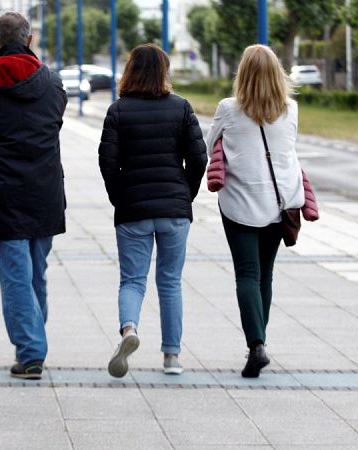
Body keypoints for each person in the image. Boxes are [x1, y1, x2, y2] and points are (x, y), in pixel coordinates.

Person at [0, 12, 67, 380]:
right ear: (30, 39)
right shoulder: (54, 84)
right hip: (45, 191)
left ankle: (31, 352)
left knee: (15, 277)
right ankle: (33, 345)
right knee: (36, 273)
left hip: (3, 192)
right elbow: (54, 125)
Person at [205, 44, 317, 378]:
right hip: (279, 204)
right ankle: (259, 344)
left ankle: (256, 345)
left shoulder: (228, 109)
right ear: (277, 74)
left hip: (240, 203)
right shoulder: (291, 109)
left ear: (243, 74)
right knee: (264, 274)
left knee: (246, 274)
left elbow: (211, 145)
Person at [98, 44, 207, 378]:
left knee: (132, 280)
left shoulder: (118, 111)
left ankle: (129, 330)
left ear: (130, 70)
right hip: (174, 208)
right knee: (170, 281)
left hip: (133, 208)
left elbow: (107, 161)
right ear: (165, 71)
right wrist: (185, 195)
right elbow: (199, 157)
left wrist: (120, 196)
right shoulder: (182, 108)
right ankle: (172, 356)